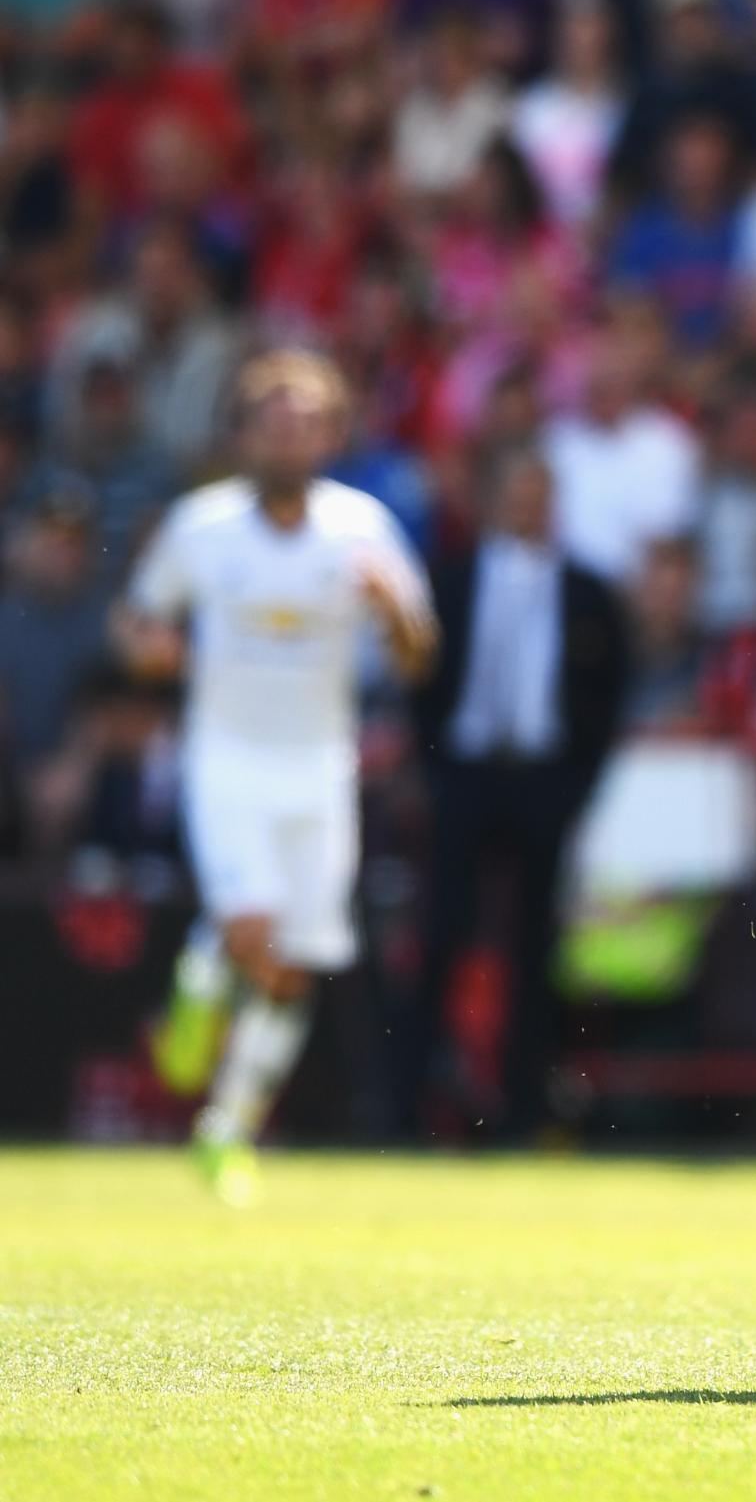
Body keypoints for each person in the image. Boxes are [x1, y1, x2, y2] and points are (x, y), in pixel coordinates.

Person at [119, 350, 436, 1205]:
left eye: (306, 423)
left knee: (293, 965)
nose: (289, 436)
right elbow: (137, 620)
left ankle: (226, 1127)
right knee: (253, 927)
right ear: (246, 432)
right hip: (226, 760)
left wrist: (394, 608)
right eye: (273, 420)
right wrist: (148, 648)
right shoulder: (202, 525)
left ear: (329, 434)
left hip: (319, 768)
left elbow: (418, 656)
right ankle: (198, 986)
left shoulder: (361, 527)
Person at [401, 452, 629, 1140]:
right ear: (493, 499)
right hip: (465, 771)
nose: (529, 506)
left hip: (542, 776)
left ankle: (523, 1111)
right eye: (518, 492)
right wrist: (431, 767)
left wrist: (576, 784)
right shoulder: (452, 577)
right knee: (440, 937)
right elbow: (422, 678)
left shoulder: (587, 588)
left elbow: (607, 693)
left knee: (536, 951)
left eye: (540, 494)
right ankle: (406, 1106)